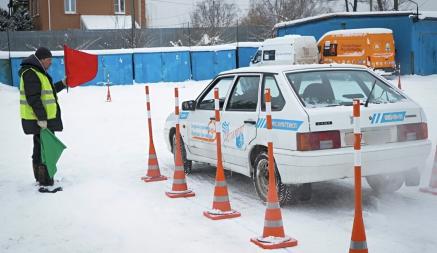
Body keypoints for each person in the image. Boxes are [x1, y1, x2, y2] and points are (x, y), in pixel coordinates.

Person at [19, 47, 67, 186]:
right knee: (44, 150)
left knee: (41, 148)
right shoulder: (31, 73)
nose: (51, 63)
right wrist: (41, 118)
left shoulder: (39, 72)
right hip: (39, 120)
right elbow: (33, 98)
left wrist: (63, 84)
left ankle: (43, 178)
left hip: (43, 120)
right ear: (41, 60)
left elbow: (48, 92)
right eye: (49, 60)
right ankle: (45, 180)